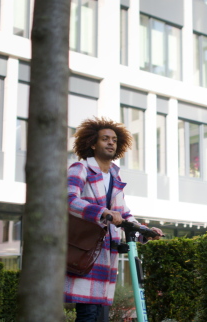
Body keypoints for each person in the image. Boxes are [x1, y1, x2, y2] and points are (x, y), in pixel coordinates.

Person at [65, 116, 162, 322]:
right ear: (92, 143)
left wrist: (145, 231)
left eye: (115, 140)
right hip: (85, 249)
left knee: (100, 313)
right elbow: (68, 199)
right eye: (105, 139)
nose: (111, 142)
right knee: (88, 312)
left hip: (107, 251)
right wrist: (102, 213)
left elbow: (124, 214)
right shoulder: (80, 168)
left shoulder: (115, 177)